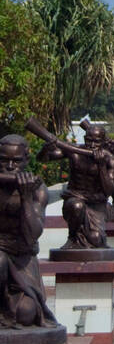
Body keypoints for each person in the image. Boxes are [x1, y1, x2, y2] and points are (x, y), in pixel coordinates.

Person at [31, 120, 114, 250]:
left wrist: (101, 166)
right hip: (74, 200)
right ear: (84, 138)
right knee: (77, 205)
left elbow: (109, 190)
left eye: (97, 142)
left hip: (96, 204)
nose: (92, 145)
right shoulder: (74, 151)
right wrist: (45, 149)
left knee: (96, 240)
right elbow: (43, 159)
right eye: (89, 140)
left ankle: (90, 237)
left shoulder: (110, 159)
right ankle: (72, 238)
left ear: (104, 142)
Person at [0, 134, 58, 329]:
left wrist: (25, 198)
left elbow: (33, 234)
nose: (9, 166)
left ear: (26, 160)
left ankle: (9, 309)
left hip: (22, 260)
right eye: (3, 160)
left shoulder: (37, 189)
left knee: (25, 313)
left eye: (16, 161)